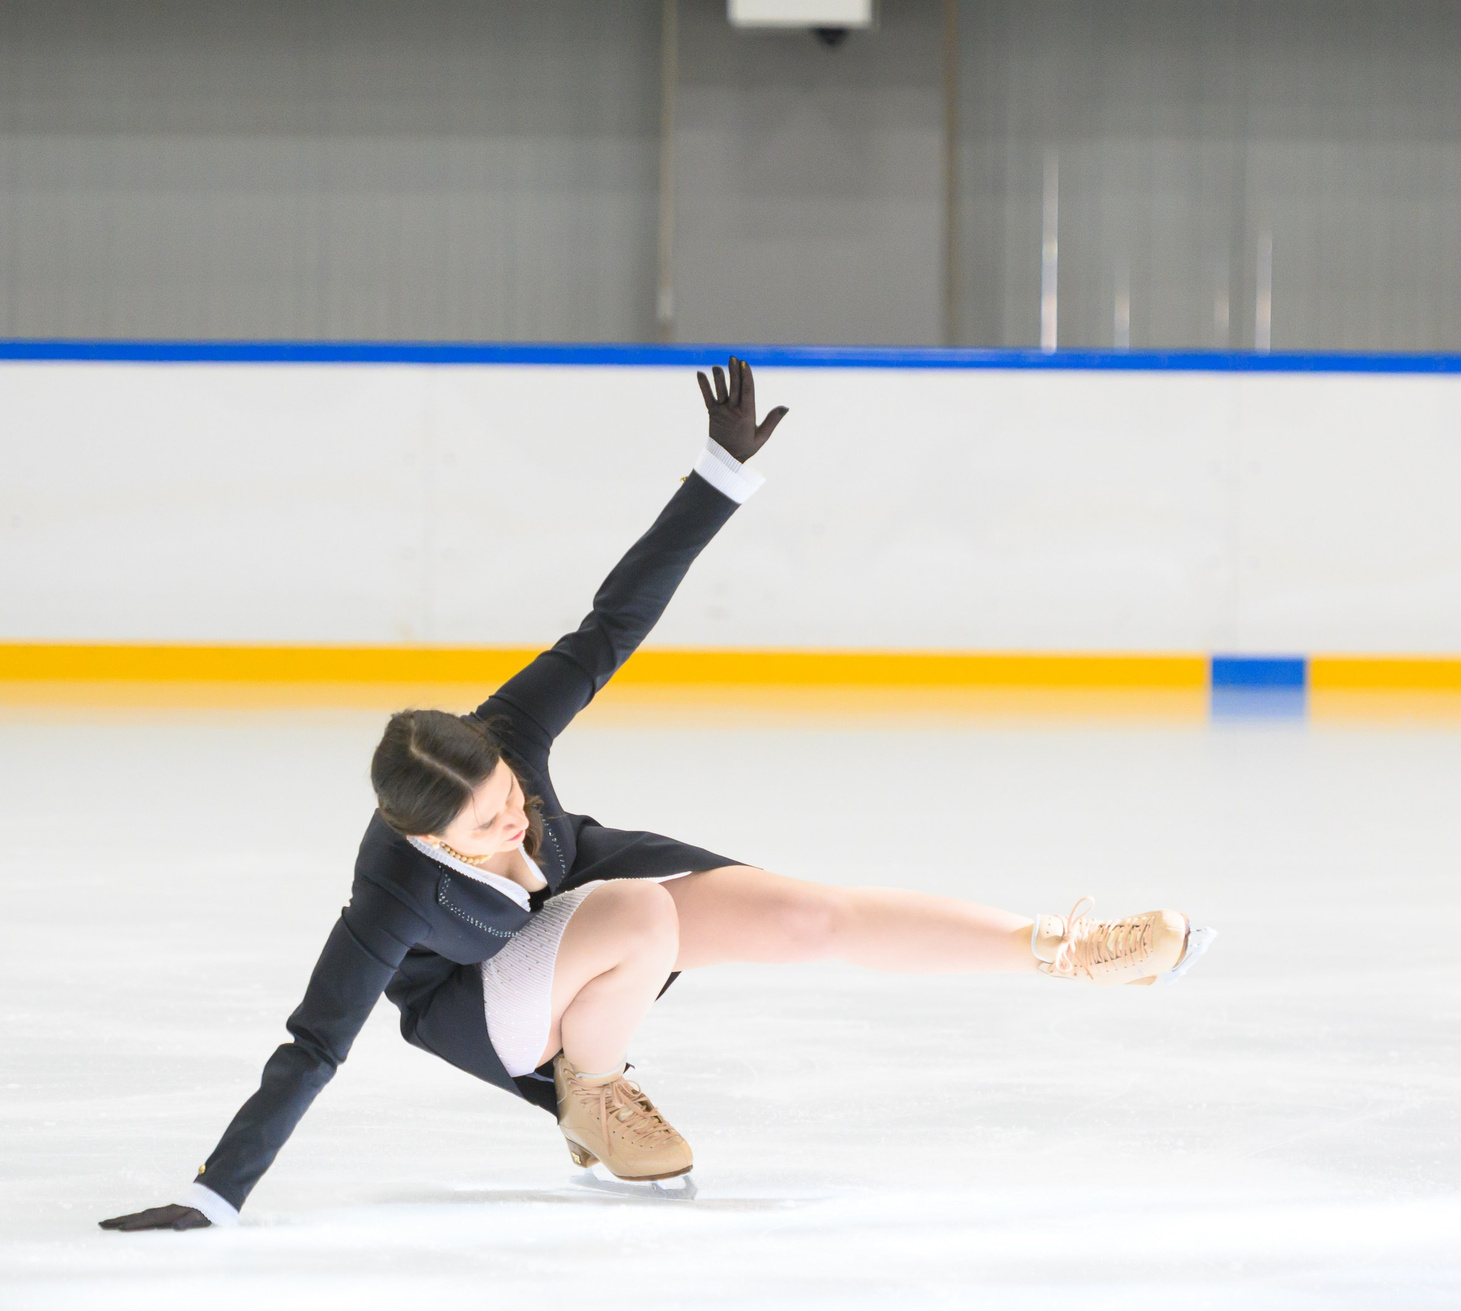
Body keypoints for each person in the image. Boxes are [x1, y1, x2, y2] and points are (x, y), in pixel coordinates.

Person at [102, 359, 1213, 1231]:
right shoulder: (387, 895)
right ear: (416, 833)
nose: (513, 816)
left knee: (805, 915)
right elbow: (315, 1044)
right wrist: (214, 1193)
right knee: (639, 914)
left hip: (593, 904)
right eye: (487, 822)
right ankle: (590, 1091)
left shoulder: (505, 739)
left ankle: (1063, 947)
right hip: (493, 1008)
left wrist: (719, 474)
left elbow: (610, 623)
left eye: (508, 791)